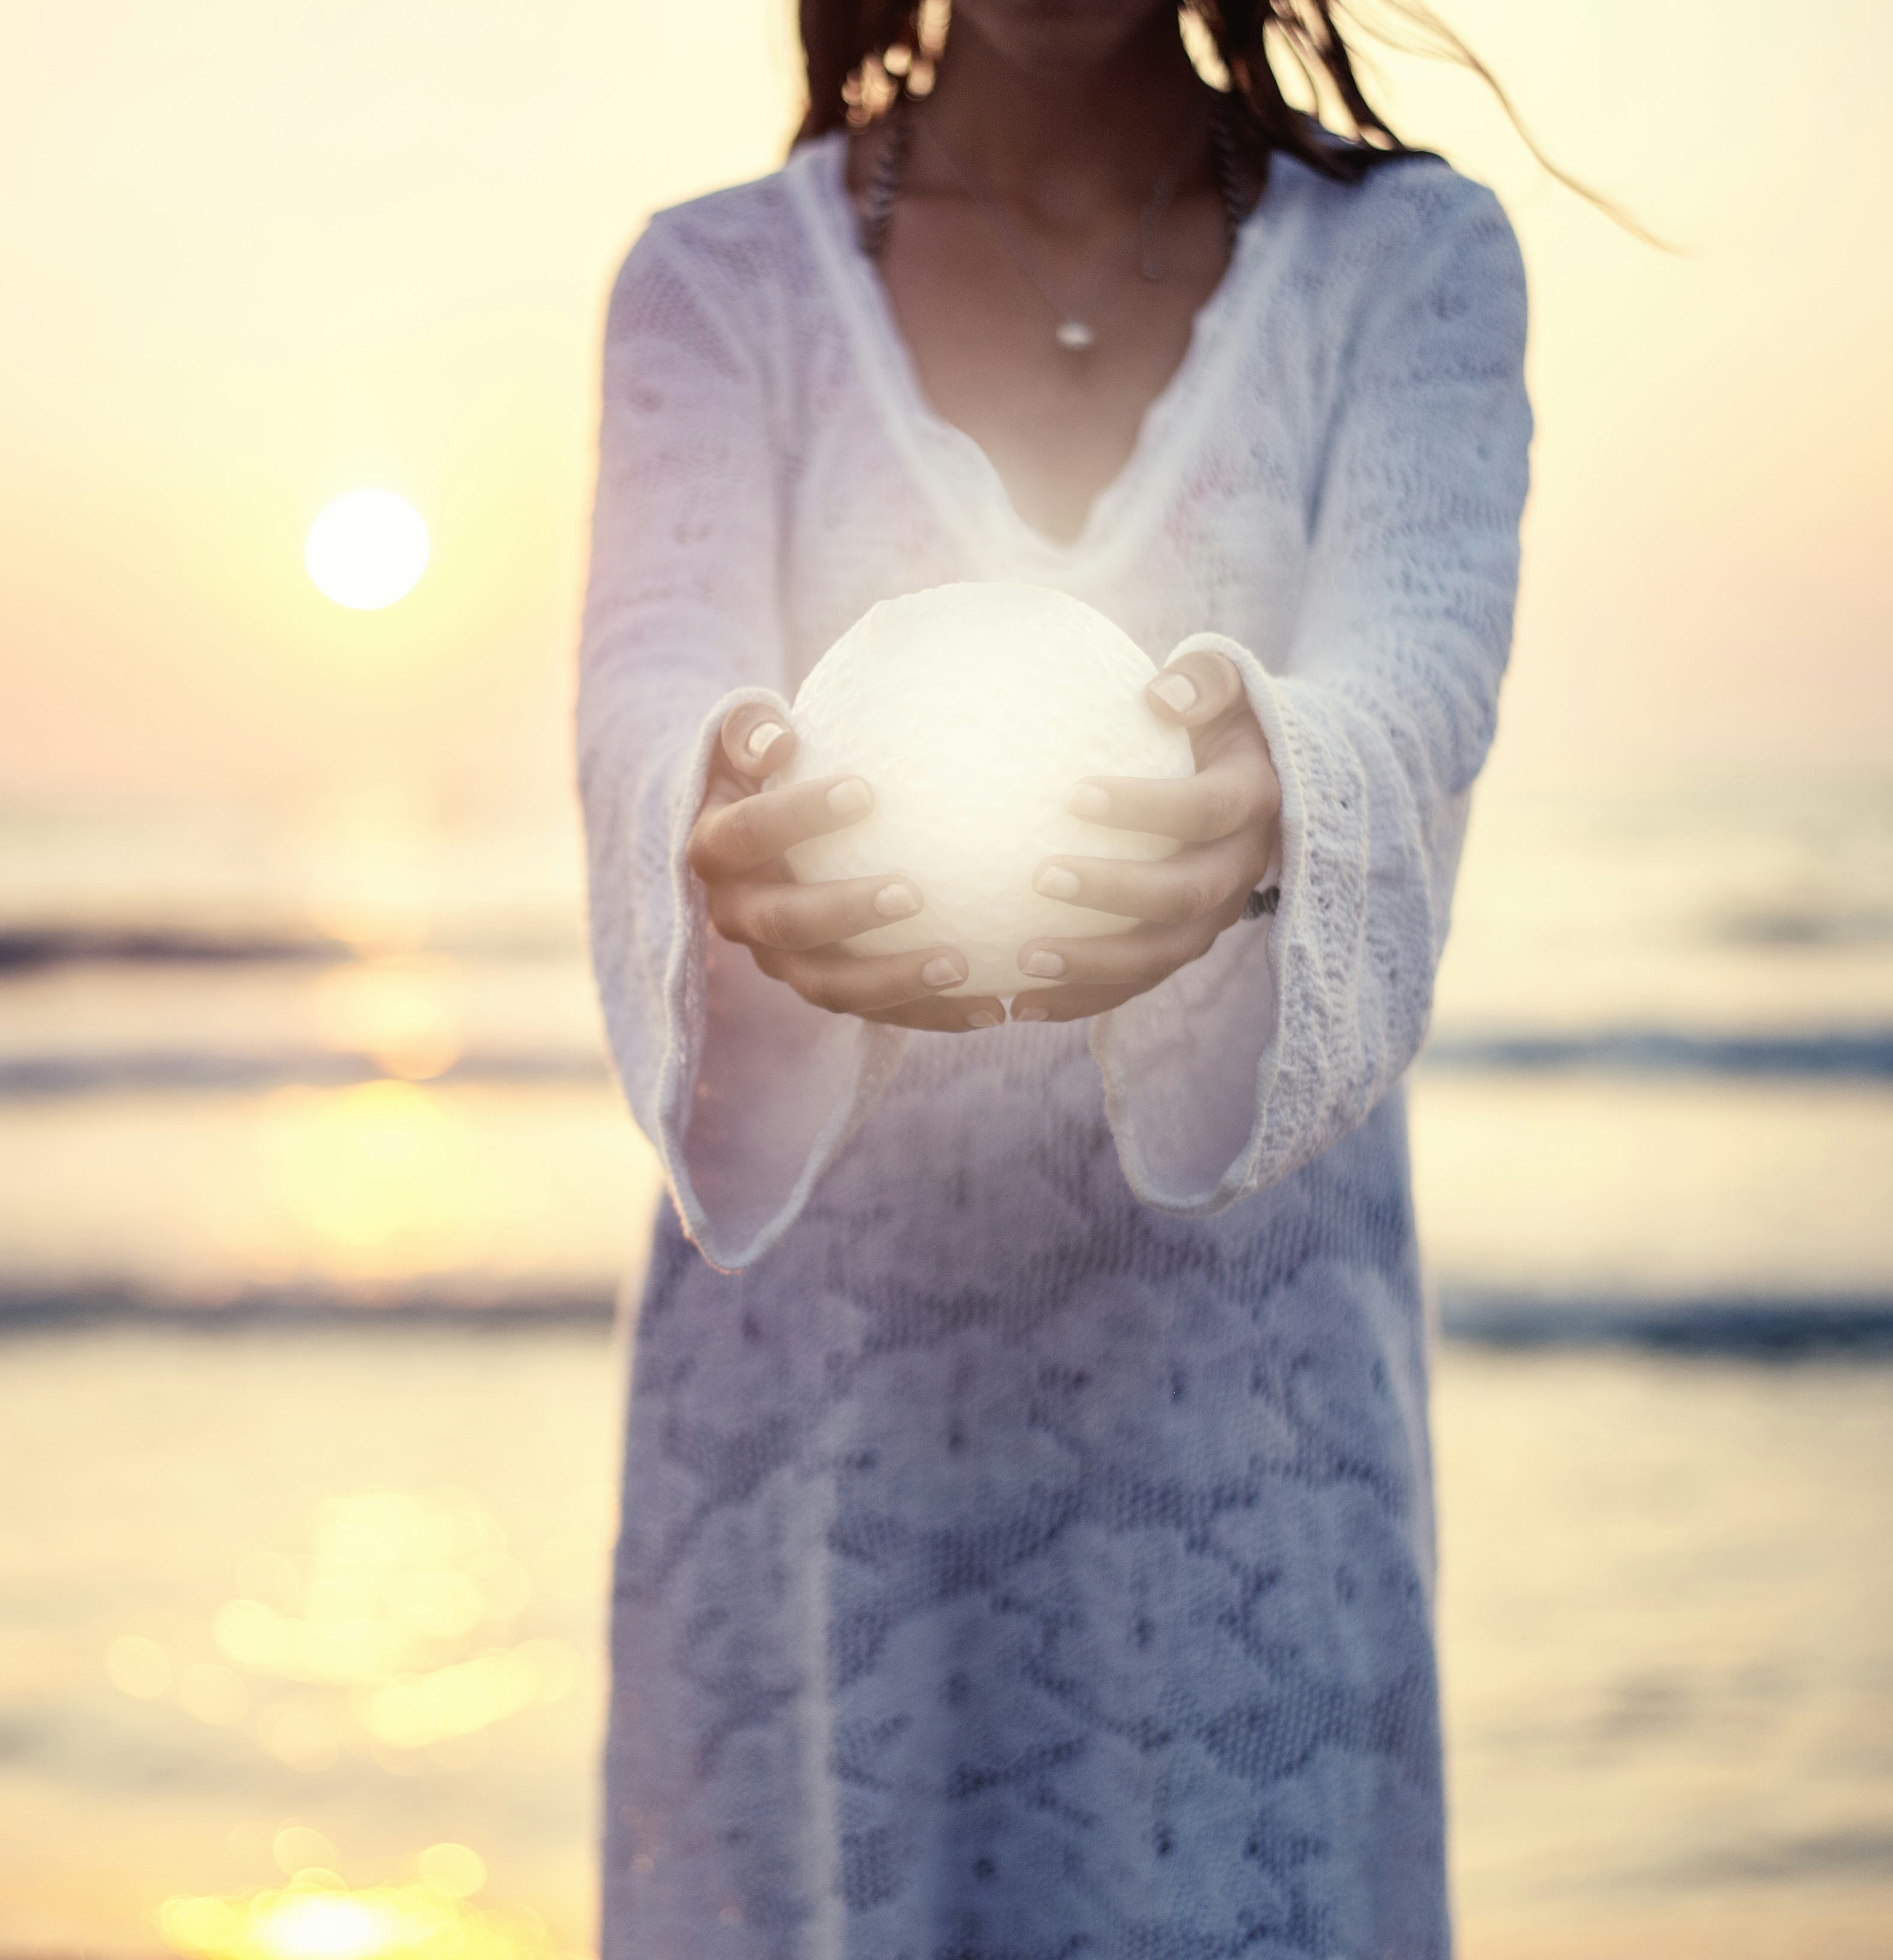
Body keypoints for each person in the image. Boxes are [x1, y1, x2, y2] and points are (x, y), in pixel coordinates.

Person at [574, 0, 1530, 1951]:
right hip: (826, 1391)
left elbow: (1418, 674)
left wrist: (1276, 792)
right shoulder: (718, 282)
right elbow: (646, 690)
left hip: (1243, 1405)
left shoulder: (1412, 263)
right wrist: (727, 825)